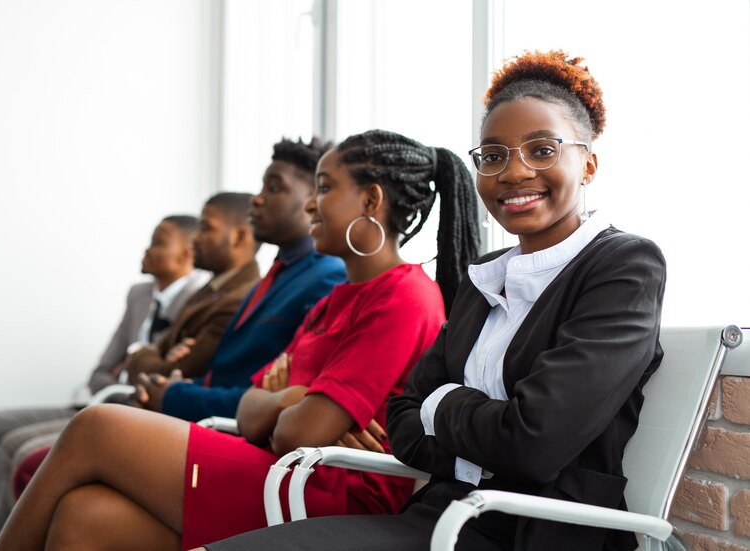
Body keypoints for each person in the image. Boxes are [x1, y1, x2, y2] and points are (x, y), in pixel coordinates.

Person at [202, 51, 667, 551]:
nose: (513, 171)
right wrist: (474, 422)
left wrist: (442, 403)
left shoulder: (623, 264)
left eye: (542, 150)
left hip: (534, 535)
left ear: (589, 163)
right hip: (438, 518)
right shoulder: (489, 275)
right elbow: (403, 421)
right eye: (493, 155)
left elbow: (535, 442)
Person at [0, 129, 480, 551]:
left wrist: (287, 402)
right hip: (284, 467)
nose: (311, 202)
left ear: (371, 201)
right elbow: (252, 412)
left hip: (330, 487)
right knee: (84, 515)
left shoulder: (405, 295)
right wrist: (296, 403)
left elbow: (296, 433)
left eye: (325, 188)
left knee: (95, 426)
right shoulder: (336, 300)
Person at [0, 214, 205, 549]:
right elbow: (102, 370)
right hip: (100, 400)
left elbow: (164, 379)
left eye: (159, 242)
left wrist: (133, 368)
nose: (147, 250)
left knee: (22, 449)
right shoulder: (139, 294)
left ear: (188, 253)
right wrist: (134, 366)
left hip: (135, 415)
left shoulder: (202, 299)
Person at [138, 137, 347, 421]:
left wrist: (176, 395)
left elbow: (287, 397)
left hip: (239, 433)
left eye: (273, 188)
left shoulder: (328, 277)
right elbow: (225, 377)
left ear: (313, 198)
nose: (257, 199)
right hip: (208, 417)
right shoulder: (273, 277)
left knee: (96, 428)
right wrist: (169, 387)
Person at [122, 193, 261, 383]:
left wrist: (137, 353)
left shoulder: (240, 300)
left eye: (205, 228)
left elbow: (172, 375)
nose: (194, 239)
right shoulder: (209, 290)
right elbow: (161, 353)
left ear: (240, 236)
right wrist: (156, 356)